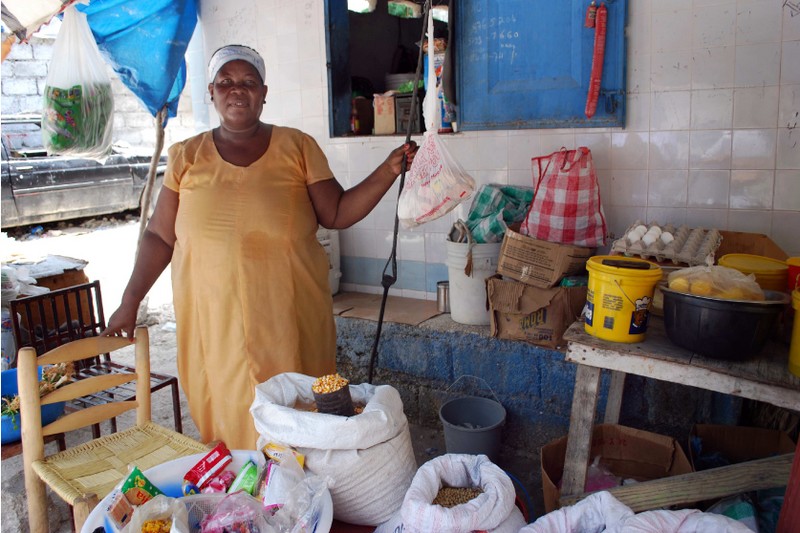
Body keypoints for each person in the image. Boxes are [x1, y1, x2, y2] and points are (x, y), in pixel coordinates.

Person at [103, 44, 417, 449]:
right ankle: (243, 486)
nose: (237, 90)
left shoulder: (297, 147)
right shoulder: (186, 156)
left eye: (248, 82)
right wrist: (130, 301)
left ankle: (298, 484)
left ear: (264, 93)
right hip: (214, 324)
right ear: (211, 93)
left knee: (299, 418)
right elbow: (161, 236)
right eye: (225, 82)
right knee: (229, 421)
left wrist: (388, 170)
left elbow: (337, 212)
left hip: (289, 319)